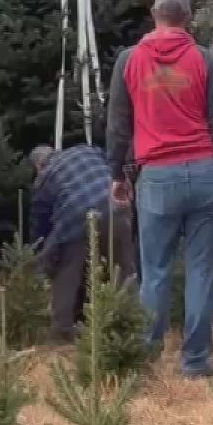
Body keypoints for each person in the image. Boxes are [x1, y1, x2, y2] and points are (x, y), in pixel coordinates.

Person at [105, 0, 213, 379]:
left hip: (157, 179)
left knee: (154, 272)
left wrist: (117, 175)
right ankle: (195, 361)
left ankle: (148, 358)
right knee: (201, 269)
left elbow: (118, 126)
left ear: (154, 13)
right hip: (206, 175)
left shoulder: (128, 62)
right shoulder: (205, 61)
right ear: (188, 17)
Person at [29, 144, 135, 342]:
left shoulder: (44, 178)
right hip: (117, 206)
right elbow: (113, 161)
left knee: (66, 272)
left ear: (38, 166)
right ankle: (126, 324)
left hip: (76, 219)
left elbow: (39, 221)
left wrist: (39, 251)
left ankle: (62, 330)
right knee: (123, 267)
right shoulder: (87, 149)